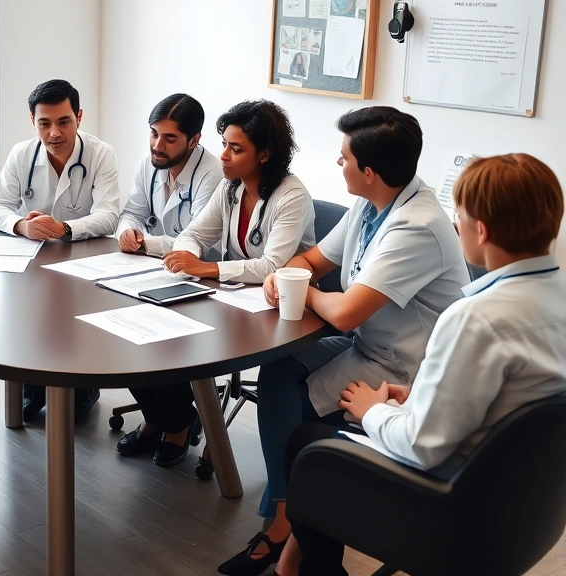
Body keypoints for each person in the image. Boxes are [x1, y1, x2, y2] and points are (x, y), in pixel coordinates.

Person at [286, 154, 566, 576]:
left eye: (461, 214)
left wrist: (373, 409)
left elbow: (423, 446)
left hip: (450, 502)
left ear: (481, 230)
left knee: (307, 445)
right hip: (526, 505)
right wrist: (415, 399)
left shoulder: (476, 317)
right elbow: (513, 403)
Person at [219, 107, 469, 576]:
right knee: (280, 369)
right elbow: (315, 258)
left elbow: (347, 308)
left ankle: (290, 529)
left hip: (403, 369)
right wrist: (291, 273)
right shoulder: (371, 204)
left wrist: (295, 284)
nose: (339, 165)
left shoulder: (416, 225)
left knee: (302, 428)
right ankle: (286, 514)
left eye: (344, 158)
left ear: (369, 172)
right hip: (366, 345)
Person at [120, 99, 313, 467]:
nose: (222, 155)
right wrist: (186, 254)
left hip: (277, 308)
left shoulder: (292, 196)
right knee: (147, 329)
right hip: (233, 298)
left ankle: (177, 425)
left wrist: (206, 270)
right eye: (223, 144)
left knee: (176, 344)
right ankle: (160, 419)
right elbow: (193, 234)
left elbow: (271, 265)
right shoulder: (231, 188)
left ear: (265, 155)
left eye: (235, 148)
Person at [0, 78, 120, 421]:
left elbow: (109, 215)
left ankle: (84, 387)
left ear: (79, 117)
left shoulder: (100, 153)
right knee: (34, 322)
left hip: (85, 257)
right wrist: (22, 225)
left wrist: (65, 228)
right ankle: (33, 389)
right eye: (44, 123)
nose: (54, 133)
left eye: (64, 122)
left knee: (75, 328)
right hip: (36, 259)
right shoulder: (21, 154)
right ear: (33, 121)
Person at [115, 93, 222, 257]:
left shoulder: (212, 173)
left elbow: (196, 240)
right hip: (153, 263)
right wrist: (126, 231)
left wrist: (145, 243)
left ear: (194, 141)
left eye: (170, 139)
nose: (157, 146)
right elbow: (133, 213)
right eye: (154, 134)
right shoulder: (149, 161)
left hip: (200, 269)